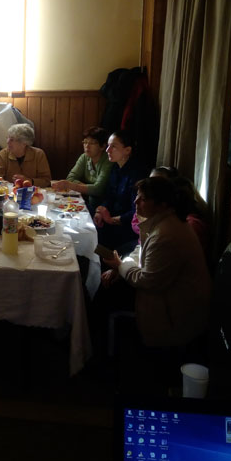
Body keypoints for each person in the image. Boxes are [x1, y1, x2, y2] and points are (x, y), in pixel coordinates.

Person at [100, 176, 211, 348]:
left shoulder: (166, 234)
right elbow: (141, 250)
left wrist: (120, 266)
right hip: (163, 294)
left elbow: (147, 280)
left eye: (143, 199)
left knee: (106, 293)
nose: (135, 202)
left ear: (162, 204)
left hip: (174, 311)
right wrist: (120, 267)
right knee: (107, 283)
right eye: (137, 196)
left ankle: (107, 349)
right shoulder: (161, 222)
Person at [93, 130, 145, 256]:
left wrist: (112, 220)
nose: (107, 150)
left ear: (127, 150)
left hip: (128, 226)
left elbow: (137, 211)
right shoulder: (116, 167)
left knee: (95, 237)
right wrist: (101, 210)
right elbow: (109, 195)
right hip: (112, 218)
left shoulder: (137, 174)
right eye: (108, 145)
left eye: (113, 146)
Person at [51, 126, 112, 213]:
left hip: (104, 208)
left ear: (102, 146)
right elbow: (70, 178)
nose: (87, 146)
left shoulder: (108, 161)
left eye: (92, 143)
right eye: (85, 142)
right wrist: (88, 188)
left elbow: (98, 189)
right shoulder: (84, 157)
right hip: (89, 203)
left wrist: (70, 185)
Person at [0, 123, 51, 188]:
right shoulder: (3, 154)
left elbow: (47, 181)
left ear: (24, 143)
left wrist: (30, 181)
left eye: (12, 140)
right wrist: (6, 184)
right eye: (8, 138)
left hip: (33, 192)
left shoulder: (38, 154)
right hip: (9, 192)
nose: (7, 142)